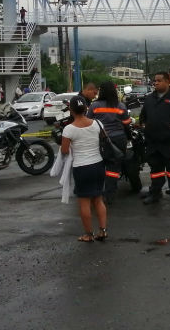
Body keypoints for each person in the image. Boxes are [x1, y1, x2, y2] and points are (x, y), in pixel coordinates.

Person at [60, 95, 108, 242]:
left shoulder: (69, 129)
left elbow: (65, 151)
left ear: (71, 110)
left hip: (82, 168)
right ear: (86, 108)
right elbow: (103, 138)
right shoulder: (97, 123)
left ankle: (88, 234)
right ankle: (103, 231)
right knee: (98, 200)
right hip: (98, 165)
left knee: (84, 202)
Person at [140, 72, 170, 206]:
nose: (155, 83)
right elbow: (143, 116)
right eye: (154, 81)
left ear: (167, 82)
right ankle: (155, 193)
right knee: (156, 170)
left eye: (159, 81)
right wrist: (144, 126)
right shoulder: (150, 99)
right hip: (153, 141)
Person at [87, 81, 132, 204]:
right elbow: (127, 124)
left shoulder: (94, 106)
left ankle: (95, 193)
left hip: (100, 140)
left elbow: (88, 122)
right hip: (118, 139)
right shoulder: (120, 106)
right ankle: (109, 195)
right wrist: (129, 137)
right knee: (113, 167)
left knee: (99, 165)